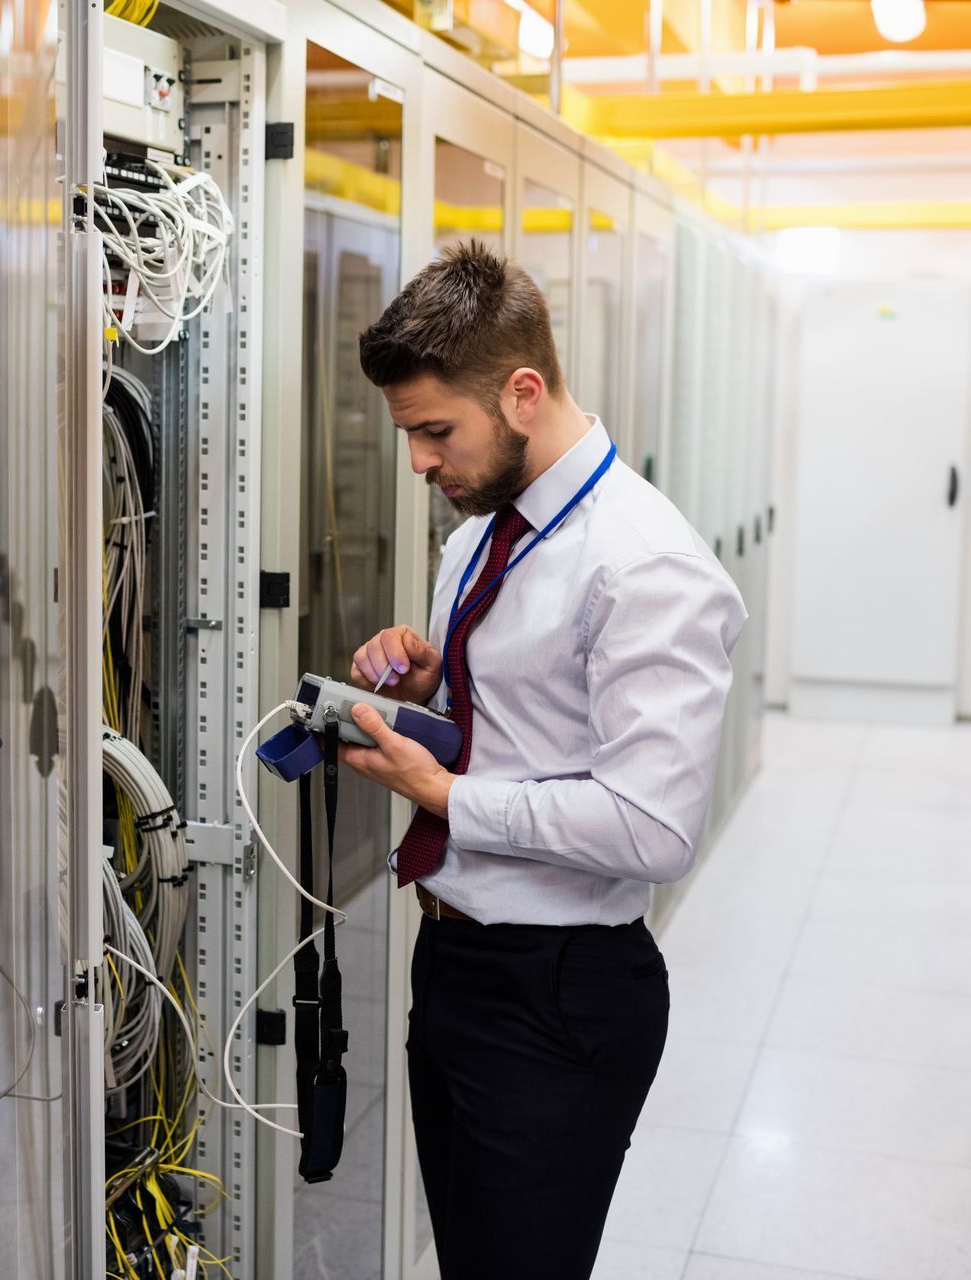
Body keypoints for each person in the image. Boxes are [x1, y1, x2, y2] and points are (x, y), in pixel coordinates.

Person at [339, 241, 747, 1279]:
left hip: (557, 989)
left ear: (522, 391)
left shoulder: (642, 563)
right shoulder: (478, 535)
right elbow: (527, 716)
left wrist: (446, 794)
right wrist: (432, 683)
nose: (421, 462)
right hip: (457, 959)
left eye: (435, 431)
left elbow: (653, 829)